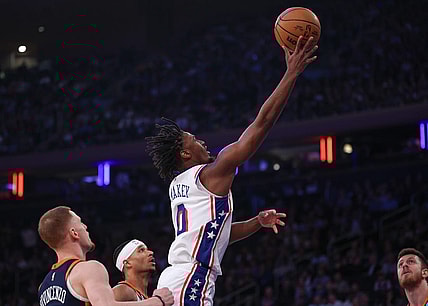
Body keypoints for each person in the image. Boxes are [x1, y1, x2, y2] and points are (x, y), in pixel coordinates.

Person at [145, 36, 318, 305]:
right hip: (193, 276)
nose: (202, 142)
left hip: (173, 278)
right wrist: (291, 73)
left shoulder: (178, 185)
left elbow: (218, 232)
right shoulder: (212, 173)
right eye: (195, 140)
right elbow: (262, 124)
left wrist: (255, 223)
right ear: (185, 154)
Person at [37, 206, 174, 306]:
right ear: (74, 233)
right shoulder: (88, 269)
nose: (85, 226)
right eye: (80, 222)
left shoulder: (43, 287)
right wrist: (157, 301)